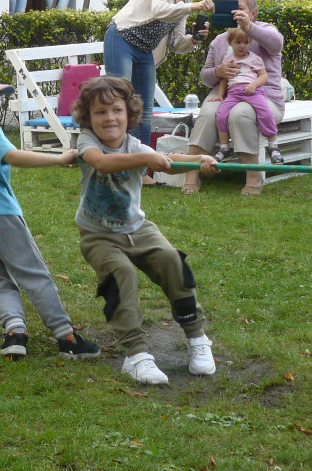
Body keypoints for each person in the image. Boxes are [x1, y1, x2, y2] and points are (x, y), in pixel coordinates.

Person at [72, 75, 218, 386]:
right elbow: (102, 163)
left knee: (172, 260)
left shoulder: (134, 145)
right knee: (120, 274)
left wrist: (198, 160)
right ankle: (136, 355)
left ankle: (196, 336)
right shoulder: (87, 142)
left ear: (129, 113)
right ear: (88, 118)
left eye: (117, 110)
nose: (109, 118)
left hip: (138, 228)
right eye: (100, 112)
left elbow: (169, 162)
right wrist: (148, 157)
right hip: (98, 235)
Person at [0, 69, 100, 360]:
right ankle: (66, 336)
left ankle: (15, 332)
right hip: (0, 214)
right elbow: (13, 156)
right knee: (32, 273)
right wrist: (59, 158)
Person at [103, 0, 216, 147]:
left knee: (144, 111)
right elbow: (159, 9)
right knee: (119, 101)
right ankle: (113, 156)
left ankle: (142, 162)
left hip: (145, 51)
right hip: (121, 38)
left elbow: (176, 43)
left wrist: (194, 39)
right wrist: (193, 8)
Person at [183, 0, 284, 196]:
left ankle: (253, 175)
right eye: (230, 10)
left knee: (240, 113)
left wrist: (249, 28)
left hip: (262, 96)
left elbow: (276, 44)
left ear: (253, 13)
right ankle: (192, 174)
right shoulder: (220, 40)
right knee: (208, 114)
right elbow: (206, 76)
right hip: (225, 93)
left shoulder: (264, 30)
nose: (234, 14)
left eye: (241, 9)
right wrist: (218, 71)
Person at [208, 27, 283, 165]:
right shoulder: (228, 59)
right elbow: (224, 79)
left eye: (246, 42)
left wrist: (254, 85)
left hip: (253, 92)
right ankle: (224, 148)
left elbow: (264, 76)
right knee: (221, 115)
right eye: (238, 42)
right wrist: (219, 95)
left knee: (265, 113)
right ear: (230, 43)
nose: (242, 46)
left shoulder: (254, 59)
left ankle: (273, 146)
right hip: (233, 94)